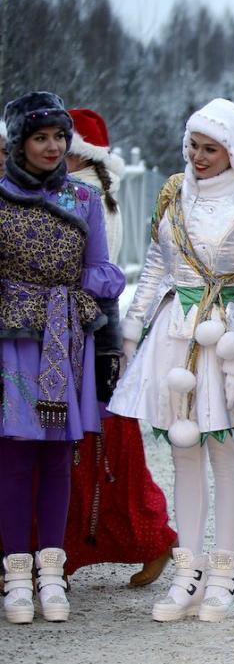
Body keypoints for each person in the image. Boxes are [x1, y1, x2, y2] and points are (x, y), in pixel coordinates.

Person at [109, 98, 234, 623]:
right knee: (182, 453)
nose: (198, 157)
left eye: (210, 148)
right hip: (174, 334)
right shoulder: (173, 198)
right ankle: (187, 571)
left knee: (224, 453)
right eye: (194, 146)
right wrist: (133, 327)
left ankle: (222, 572)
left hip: (222, 336)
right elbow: (155, 268)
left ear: (233, 153)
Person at [0, 92, 125, 624]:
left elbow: (101, 270)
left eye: (59, 137)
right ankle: (15, 577)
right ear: (18, 143)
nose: (52, 147)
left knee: (56, 455)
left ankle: (52, 573)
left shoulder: (83, 199)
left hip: (65, 338)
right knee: (13, 455)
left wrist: (82, 291)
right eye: (40, 137)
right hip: (10, 340)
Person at [64, 107, 177, 587]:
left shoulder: (84, 197)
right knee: (101, 448)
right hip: (89, 340)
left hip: (86, 340)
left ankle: (148, 536)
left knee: (101, 449)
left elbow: (92, 277)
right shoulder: (88, 194)